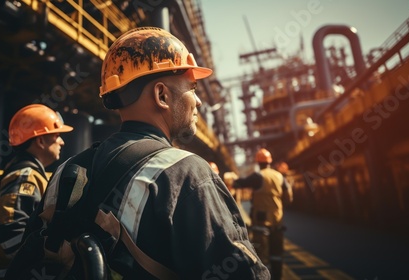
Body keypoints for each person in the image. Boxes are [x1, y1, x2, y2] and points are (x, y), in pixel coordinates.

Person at [18, 27, 269, 279]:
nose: (199, 101)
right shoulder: (187, 174)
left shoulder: (64, 172)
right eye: (192, 88)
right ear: (161, 95)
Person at [0, 104, 73, 280]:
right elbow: (9, 230)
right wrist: (42, 264)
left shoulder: (27, 171)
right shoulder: (25, 175)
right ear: (40, 141)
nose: (62, 142)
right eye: (56, 135)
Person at [233, 148, 293, 280]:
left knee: (263, 257)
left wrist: (231, 180)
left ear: (258, 163)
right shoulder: (279, 176)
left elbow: (239, 183)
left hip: (261, 223)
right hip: (277, 222)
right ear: (270, 161)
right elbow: (289, 197)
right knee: (277, 255)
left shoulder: (258, 176)